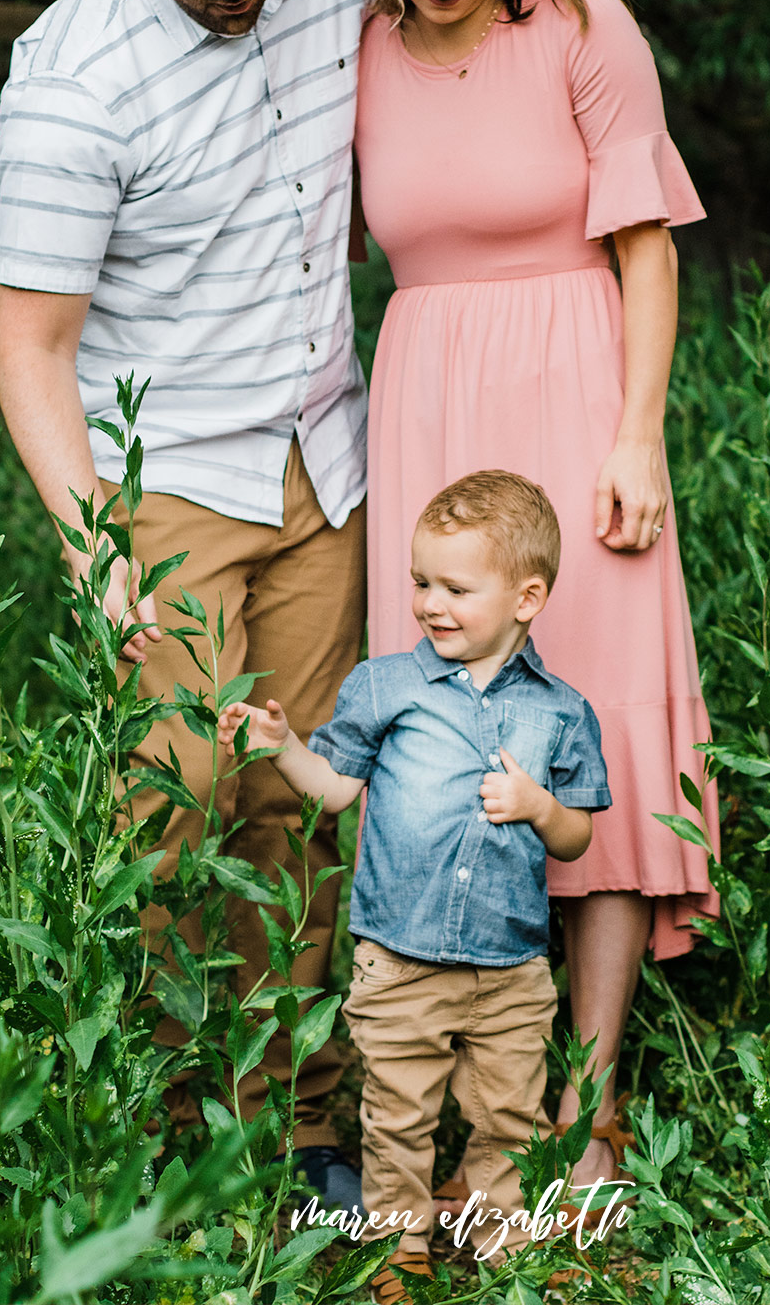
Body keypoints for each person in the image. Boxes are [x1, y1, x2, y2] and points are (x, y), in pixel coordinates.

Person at [0, 0, 367, 1201]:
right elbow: (32, 351)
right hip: (170, 482)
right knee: (182, 802)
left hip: (328, 456)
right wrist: (98, 554)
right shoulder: (72, 77)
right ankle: (168, 1129)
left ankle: (303, 1123)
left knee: (307, 800)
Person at [353, 0, 720, 1194]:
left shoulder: (580, 24)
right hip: (432, 398)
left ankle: (596, 1096)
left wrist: (639, 436)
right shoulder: (368, 50)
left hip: (579, 394)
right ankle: (448, 1084)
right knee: (446, 732)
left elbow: (648, 251)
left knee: (600, 721)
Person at [218, 471, 611, 1304]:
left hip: (510, 968)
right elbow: (331, 790)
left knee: (509, 1117)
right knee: (398, 1120)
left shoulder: (561, 713)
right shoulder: (385, 688)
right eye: (421, 582)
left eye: (456, 588)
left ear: (527, 597)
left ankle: (504, 1242)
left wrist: (538, 806)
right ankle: (399, 1250)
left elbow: (578, 838)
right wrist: (284, 745)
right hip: (398, 959)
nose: (431, 603)